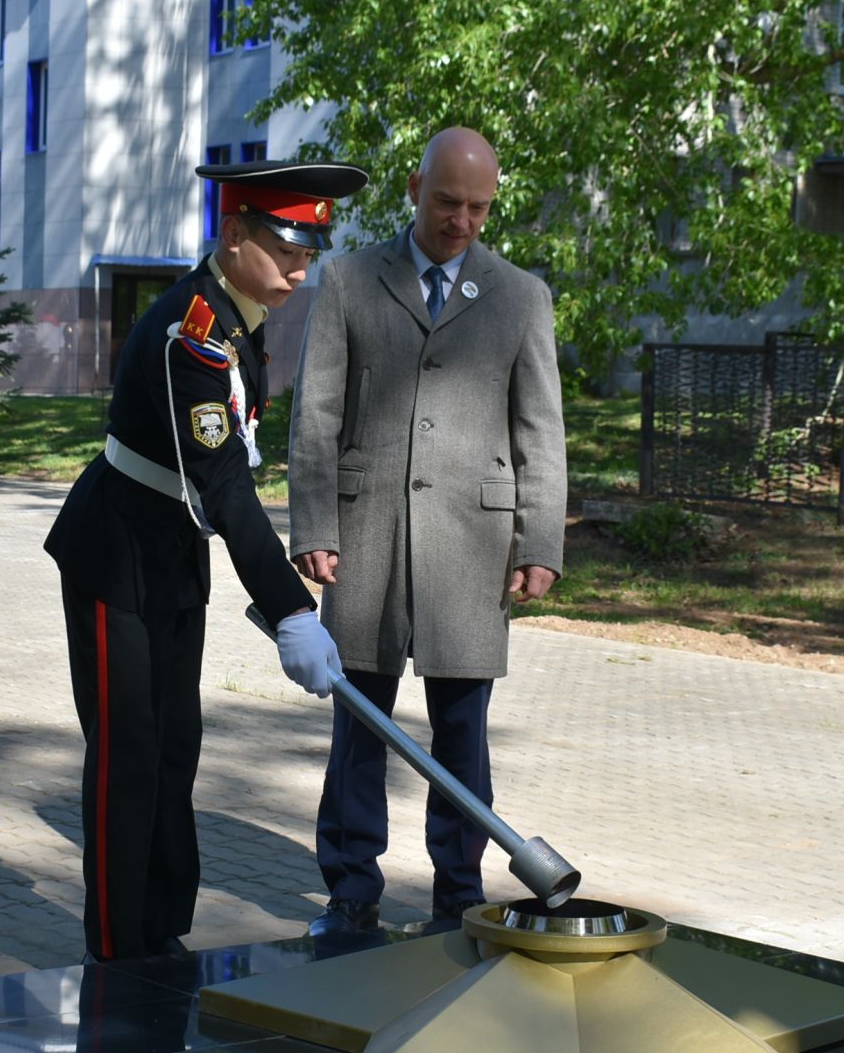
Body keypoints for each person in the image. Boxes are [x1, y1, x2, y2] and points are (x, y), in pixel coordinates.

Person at [44, 159, 364, 962]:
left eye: (309, 252)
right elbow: (224, 485)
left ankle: (162, 931)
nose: (301, 267)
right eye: (287, 249)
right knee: (128, 758)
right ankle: (119, 950)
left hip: (172, 554)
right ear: (233, 235)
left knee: (174, 746)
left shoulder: (235, 319)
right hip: (116, 558)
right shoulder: (192, 333)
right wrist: (292, 607)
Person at [287, 126, 567, 936]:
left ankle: (458, 897)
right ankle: (349, 890)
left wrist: (539, 541)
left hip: (472, 549)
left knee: (462, 734)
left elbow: (540, 432)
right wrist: (314, 521)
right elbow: (316, 415)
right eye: (448, 201)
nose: (462, 221)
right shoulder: (346, 280)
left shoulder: (521, 296)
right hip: (365, 535)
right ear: (414, 190)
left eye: (479, 207)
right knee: (359, 725)